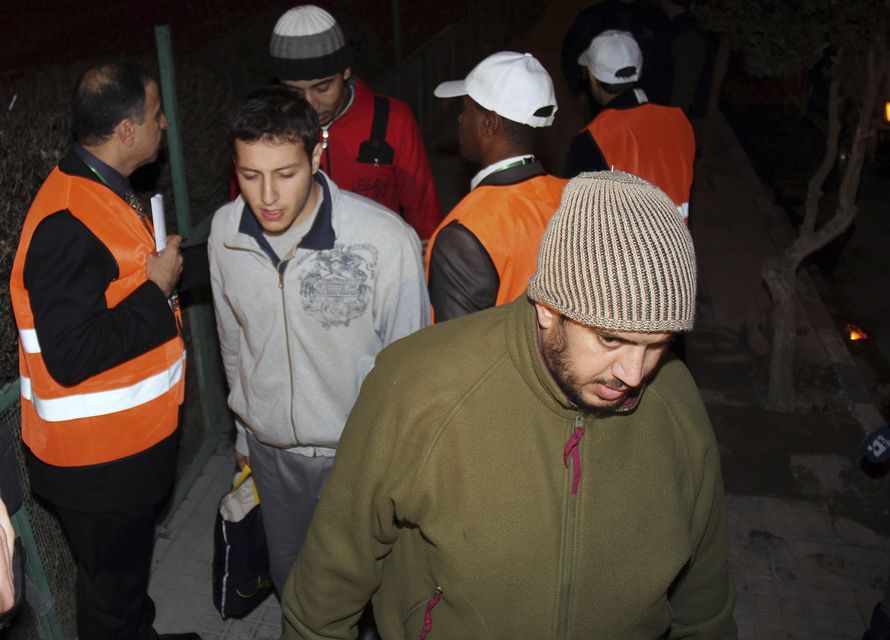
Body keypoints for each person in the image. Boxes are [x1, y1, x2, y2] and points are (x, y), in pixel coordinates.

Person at [281, 171, 736, 638]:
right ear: (547, 307)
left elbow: (704, 605)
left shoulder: (676, 405)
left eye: (658, 344)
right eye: (610, 338)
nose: (635, 374)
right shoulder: (417, 386)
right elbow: (327, 583)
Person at [209, 86, 429, 595]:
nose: (267, 197)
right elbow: (232, 339)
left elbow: (413, 362)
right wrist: (244, 433)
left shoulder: (383, 239)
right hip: (271, 456)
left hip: (359, 458)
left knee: (374, 590)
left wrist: (400, 464)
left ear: (316, 156)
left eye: (285, 174)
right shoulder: (225, 233)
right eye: (250, 175)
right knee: (297, 588)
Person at [8, 62, 198, 640]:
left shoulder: (100, 189)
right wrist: (156, 290)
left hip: (121, 456)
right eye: (155, 114)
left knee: (121, 588)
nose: (164, 123)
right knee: (109, 607)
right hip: (97, 468)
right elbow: (70, 355)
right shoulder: (66, 223)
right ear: (125, 132)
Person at [264, 5, 442, 243]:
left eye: (323, 88)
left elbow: (424, 213)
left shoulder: (393, 120)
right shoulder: (262, 130)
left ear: (346, 71)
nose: (310, 104)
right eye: (294, 92)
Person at [425, 51, 567, 322]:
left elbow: (458, 353)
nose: (460, 119)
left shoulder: (462, 235)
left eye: (465, 109)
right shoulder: (577, 197)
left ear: (489, 124)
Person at [565, 30, 695, 223]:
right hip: (676, 247)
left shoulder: (590, 140)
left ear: (592, 77)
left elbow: (578, 219)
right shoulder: (680, 121)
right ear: (640, 72)